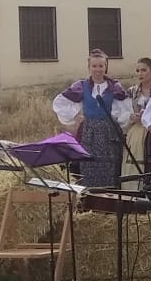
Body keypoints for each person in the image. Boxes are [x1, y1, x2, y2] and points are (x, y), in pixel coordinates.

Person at [53, 50, 134, 189]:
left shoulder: (114, 86)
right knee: (88, 163)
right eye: (94, 66)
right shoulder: (81, 86)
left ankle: (110, 199)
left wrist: (118, 121)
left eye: (101, 66)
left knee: (109, 164)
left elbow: (125, 108)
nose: (98, 69)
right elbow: (60, 102)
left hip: (109, 132)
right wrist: (74, 117)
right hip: (88, 131)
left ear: (106, 67)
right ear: (89, 67)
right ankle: (90, 199)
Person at [132, 56, 151, 172]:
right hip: (137, 132)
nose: (140, 74)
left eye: (144, 70)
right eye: (138, 71)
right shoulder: (132, 91)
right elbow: (125, 110)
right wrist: (132, 116)